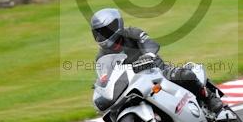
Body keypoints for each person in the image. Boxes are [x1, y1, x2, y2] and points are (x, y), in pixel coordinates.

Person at [91, 7, 223, 113]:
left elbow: (150, 44)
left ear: (116, 26)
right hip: (132, 85)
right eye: (99, 33)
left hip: (156, 71)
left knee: (185, 75)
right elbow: (105, 76)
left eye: (106, 32)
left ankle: (209, 98)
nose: (103, 36)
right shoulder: (102, 56)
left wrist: (148, 55)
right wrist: (101, 84)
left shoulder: (132, 33)